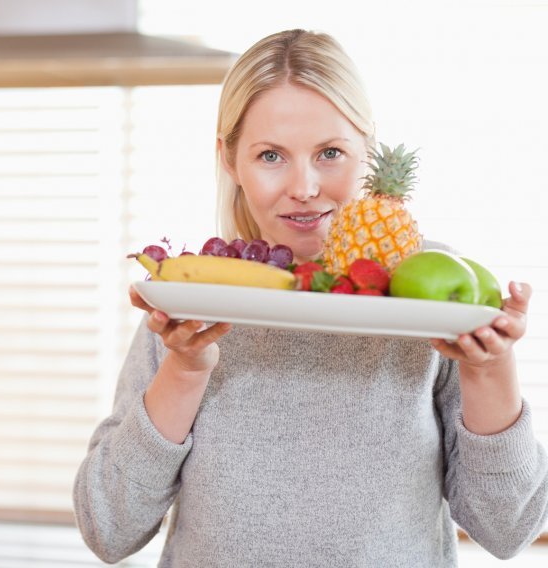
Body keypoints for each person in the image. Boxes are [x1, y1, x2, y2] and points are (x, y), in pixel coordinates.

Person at [73, 29, 548, 566]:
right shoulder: (195, 300)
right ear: (229, 159)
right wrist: (184, 371)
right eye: (271, 155)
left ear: (368, 150)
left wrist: (491, 370)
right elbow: (108, 528)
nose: (304, 186)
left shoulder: (431, 296)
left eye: (330, 153)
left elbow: (508, 529)